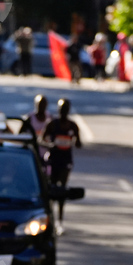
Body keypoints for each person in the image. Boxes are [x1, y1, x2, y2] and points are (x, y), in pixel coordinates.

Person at [42, 98, 82, 229]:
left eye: (66, 109)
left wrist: (73, 141)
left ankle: (60, 220)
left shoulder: (72, 125)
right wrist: (51, 144)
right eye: (61, 109)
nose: (63, 111)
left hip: (66, 160)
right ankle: (50, 219)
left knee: (63, 190)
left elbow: (79, 143)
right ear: (58, 110)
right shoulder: (52, 124)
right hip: (54, 160)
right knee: (52, 189)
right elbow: (42, 139)